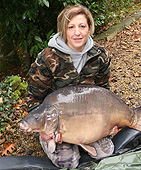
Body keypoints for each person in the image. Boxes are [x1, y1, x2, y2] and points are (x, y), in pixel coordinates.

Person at [25, 4, 112, 169]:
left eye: (82, 26)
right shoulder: (47, 58)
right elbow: (32, 99)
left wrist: (108, 122)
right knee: (68, 163)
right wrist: (44, 130)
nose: (77, 32)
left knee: (106, 154)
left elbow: (104, 90)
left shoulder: (101, 55)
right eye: (71, 27)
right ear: (63, 30)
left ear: (90, 28)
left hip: (89, 116)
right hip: (57, 119)